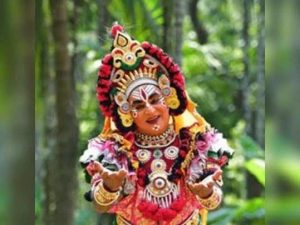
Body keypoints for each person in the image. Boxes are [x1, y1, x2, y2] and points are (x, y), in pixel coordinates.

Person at [79, 24, 234, 225]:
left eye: (154, 99)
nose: (150, 110)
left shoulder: (197, 144)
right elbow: (100, 206)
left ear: (168, 98)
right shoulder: (115, 151)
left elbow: (214, 202)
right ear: (127, 113)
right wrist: (109, 187)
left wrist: (207, 193)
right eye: (139, 105)